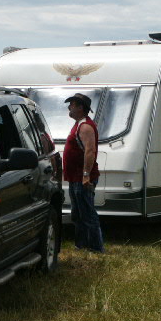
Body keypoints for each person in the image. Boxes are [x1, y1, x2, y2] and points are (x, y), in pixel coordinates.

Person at [63, 93, 104, 253]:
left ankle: (96, 247)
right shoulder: (78, 124)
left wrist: (86, 175)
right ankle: (81, 245)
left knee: (87, 214)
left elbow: (90, 151)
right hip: (75, 177)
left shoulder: (85, 126)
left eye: (72, 104)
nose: (69, 107)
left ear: (80, 107)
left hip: (83, 178)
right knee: (78, 214)